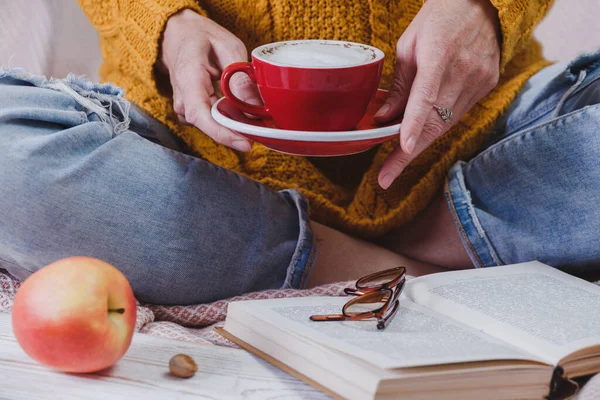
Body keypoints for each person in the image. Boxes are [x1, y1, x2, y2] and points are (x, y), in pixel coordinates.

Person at [0, 0, 598, 306]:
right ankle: (358, 259)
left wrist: (484, 9)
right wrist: (166, 23)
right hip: (191, 141)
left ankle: (439, 229)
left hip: (474, 127)